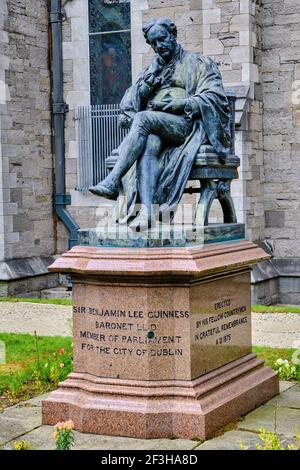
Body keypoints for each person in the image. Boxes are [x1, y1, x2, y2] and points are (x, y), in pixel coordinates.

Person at [89, 18, 231, 230]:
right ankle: (147, 212)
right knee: (150, 142)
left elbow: (215, 97)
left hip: (186, 125)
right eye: (154, 43)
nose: (159, 46)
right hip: (156, 128)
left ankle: (111, 180)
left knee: (143, 119)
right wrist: (150, 79)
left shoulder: (198, 63)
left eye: (162, 39)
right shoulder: (151, 70)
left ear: (173, 36)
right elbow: (129, 103)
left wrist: (180, 104)